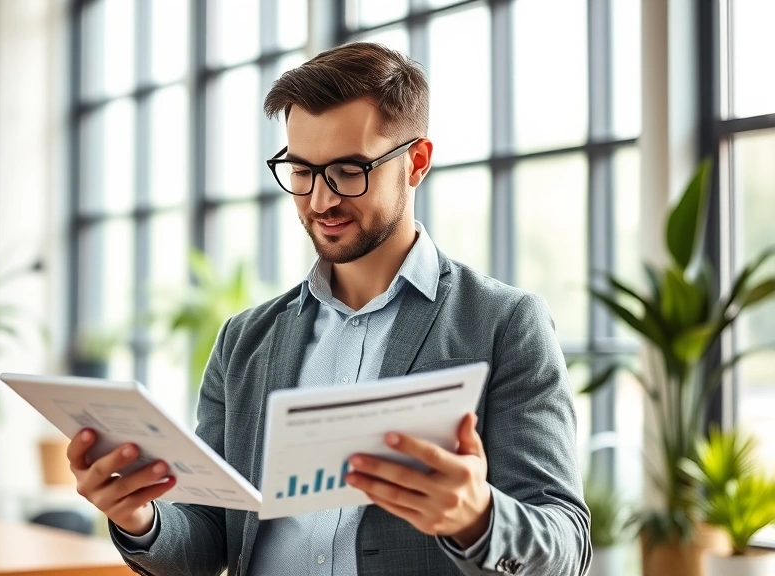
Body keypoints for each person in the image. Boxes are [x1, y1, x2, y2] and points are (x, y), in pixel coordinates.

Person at [67, 42, 591, 576]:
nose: (320, 201)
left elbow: (566, 546)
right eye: (301, 171)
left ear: (416, 162)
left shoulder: (503, 325)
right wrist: (139, 514)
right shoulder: (245, 341)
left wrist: (477, 518)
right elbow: (206, 538)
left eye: (348, 170)